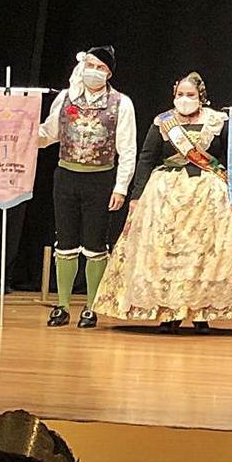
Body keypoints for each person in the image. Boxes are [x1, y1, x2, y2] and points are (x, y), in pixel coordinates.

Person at [90, 73, 232, 333]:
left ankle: (202, 314)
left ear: (201, 97)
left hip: (209, 196)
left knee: (208, 255)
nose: (184, 100)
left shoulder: (218, 121)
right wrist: (137, 196)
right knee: (167, 254)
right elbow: (147, 158)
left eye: (190, 95)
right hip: (167, 195)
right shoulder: (163, 123)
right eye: (180, 95)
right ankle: (169, 314)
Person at [38, 46, 136, 329]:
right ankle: (63, 305)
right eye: (89, 65)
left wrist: (120, 187)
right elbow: (50, 134)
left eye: (100, 67)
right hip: (66, 176)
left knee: (95, 243)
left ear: (109, 73)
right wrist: (25, 132)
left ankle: (92, 306)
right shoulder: (65, 97)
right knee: (65, 241)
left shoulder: (121, 103)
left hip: (100, 179)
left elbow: (127, 149)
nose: (93, 71)